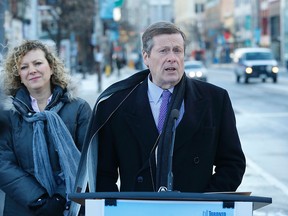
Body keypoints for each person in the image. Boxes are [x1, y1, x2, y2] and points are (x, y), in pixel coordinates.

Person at [74, 21, 246, 197]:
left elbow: (232, 163)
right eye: (163, 51)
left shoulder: (215, 100)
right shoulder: (116, 104)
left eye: (177, 50)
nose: (172, 57)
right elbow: (102, 172)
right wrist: (118, 208)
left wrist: (205, 201)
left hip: (194, 209)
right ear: (146, 57)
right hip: (138, 210)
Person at [0, 40, 92, 216]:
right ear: (18, 74)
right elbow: (3, 163)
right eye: (24, 67)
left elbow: (86, 160)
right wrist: (38, 200)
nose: (32, 70)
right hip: (23, 207)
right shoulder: (8, 115)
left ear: (51, 67)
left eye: (38, 63)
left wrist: (59, 197)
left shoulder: (78, 109)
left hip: (70, 205)